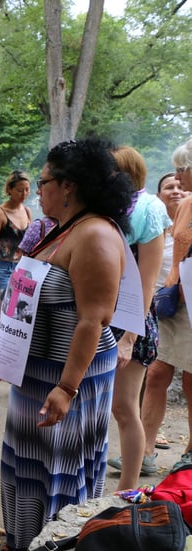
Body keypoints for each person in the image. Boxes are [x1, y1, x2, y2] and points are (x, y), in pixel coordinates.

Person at [0, 138, 132, 551]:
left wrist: (66, 388)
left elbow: (92, 320)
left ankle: (55, 548)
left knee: (59, 463)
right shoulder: (62, 229)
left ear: (67, 186)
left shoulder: (96, 235)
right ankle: (25, 543)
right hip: (37, 371)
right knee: (29, 460)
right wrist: (3, 349)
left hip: (69, 374)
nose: (39, 189)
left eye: (44, 181)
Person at [105, 146, 169, 490]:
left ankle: (127, 490)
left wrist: (128, 337)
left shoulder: (149, 208)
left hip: (131, 321)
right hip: (100, 318)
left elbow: (147, 282)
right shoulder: (108, 206)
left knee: (123, 407)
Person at [142, 140, 192, 472]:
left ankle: (190, 452)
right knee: (159, 372)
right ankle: (145, 450)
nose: (177, 177)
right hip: (175, 304)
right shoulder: (182, 208)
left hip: (188, 304)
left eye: (182, 170)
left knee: (191, 379)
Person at [0, 170, 32, 365]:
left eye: (27, 190)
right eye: (20, 190)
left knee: (17, 315)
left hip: (20, 268)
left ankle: (4, 356)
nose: (24, 194)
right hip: (2, 268)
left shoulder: (27, 212)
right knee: (3, 314)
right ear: (9, 189)